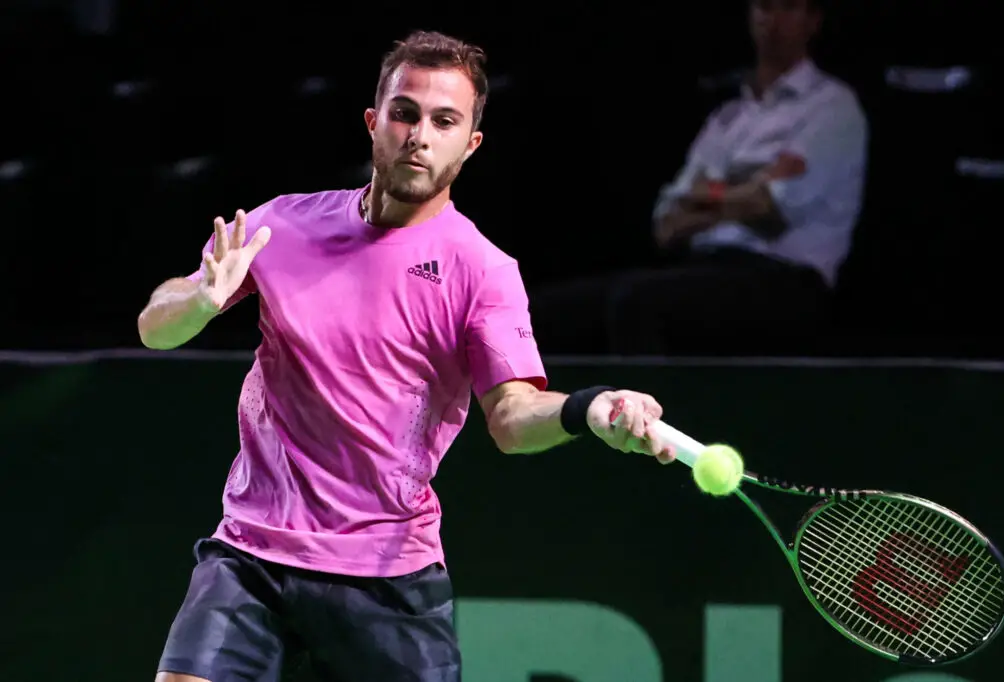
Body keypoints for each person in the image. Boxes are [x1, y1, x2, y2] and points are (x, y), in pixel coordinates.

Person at [137, 30, 676, 682]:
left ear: (470, 143)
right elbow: (155, 327)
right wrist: (198, 299)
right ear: (374, 123)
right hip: (252, 553)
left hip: (387, 573)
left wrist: (587, 409)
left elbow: (512, 417)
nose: (419, 135)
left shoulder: (482, 271)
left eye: (444, 121)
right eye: (404, 113)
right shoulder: (283, 226)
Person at [531, 0, 868, 355]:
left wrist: (707, 196)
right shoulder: (729, 117)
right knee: (541, 312)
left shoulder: (831, 106)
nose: (773, 19)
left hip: (785, 279)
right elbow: (666, 224)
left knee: (636, 302)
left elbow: (768, 206)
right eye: (764, 7)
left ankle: (654, 395)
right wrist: (744, 189)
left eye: (787, 7)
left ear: (813, 21)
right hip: (705, 266)